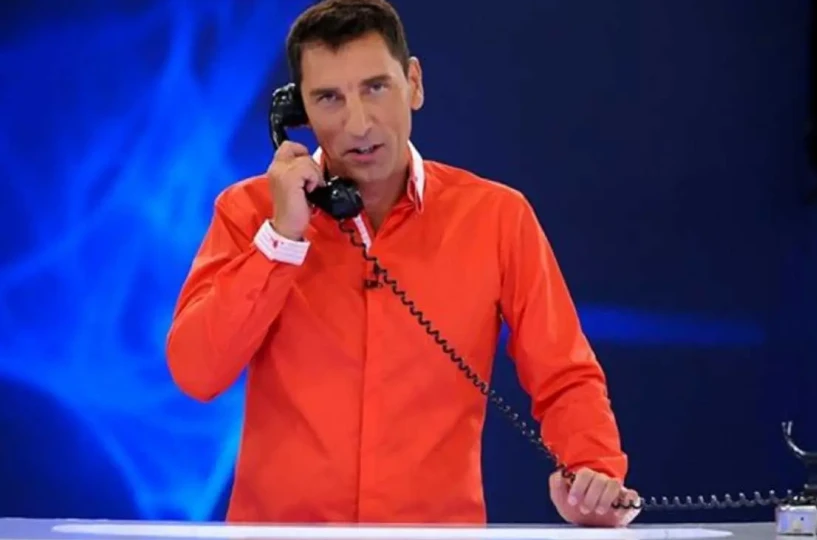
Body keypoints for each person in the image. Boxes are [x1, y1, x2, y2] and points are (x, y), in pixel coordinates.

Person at [165, 0, 640, 527]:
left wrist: (593, 471)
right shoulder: (249, 214)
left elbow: (564, 373)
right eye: (328, 98)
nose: (358, 124)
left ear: (413, 83)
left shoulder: (497, 217)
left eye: (375, 87)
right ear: (298, 112)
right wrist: (281, 239)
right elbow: (196, 372)